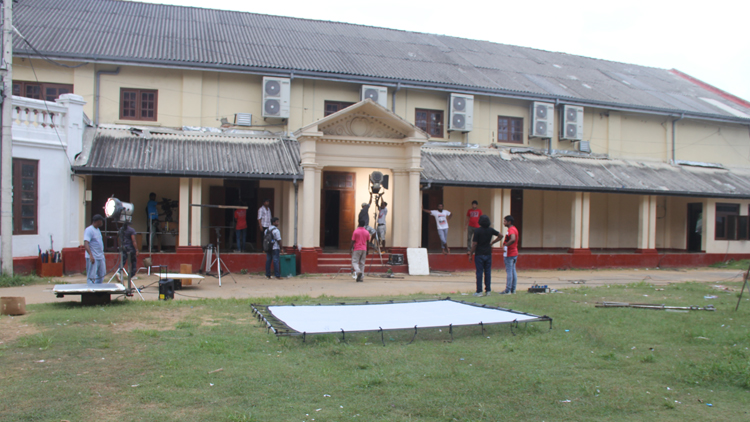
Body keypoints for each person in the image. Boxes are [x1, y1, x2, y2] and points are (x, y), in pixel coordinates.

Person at [468, 215, 502, 296]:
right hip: (488, 253)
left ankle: (479, 291)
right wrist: (493, 242)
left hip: (479, 254)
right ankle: (488, 291)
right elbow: (500, 235)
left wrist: (471, 253)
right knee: (487, 272)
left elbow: (474, 244)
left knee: (479, 273)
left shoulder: (477, 231)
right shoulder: (490, 230)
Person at [84, 215, 106, 284]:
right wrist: (90, 255)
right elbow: (86, 243)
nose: (102, 222)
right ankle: (91, 288)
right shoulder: (89, 230)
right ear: (98, 221)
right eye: (101, 221)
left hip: (100, 256)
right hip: (93, 256)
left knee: (102, 274)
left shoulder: (97, 229)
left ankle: (97, 287)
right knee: (91, 276)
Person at [501, 215, 519, 294]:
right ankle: (513, 289)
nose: (504, 223)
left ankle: (508, 289)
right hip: (514, 253)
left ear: (509, 222)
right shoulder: (514, 229)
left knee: (509, 271)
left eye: (505, 221)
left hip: (510, 253)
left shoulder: (511, 230)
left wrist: (505, 245)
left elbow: (513, 239)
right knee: (513, 270)